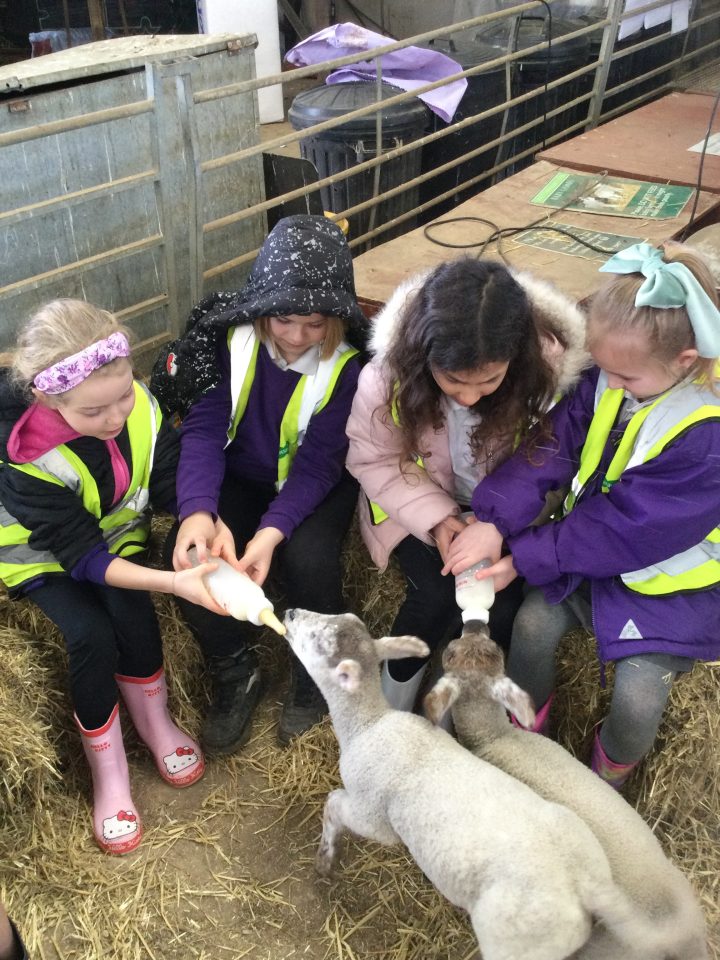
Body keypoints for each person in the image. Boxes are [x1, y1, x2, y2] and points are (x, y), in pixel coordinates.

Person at [444, 242, 720, 788]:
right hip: (586, 555)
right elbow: (553, 446)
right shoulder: (611, 378)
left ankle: (604, 782)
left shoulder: (705, 437)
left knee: (637, 700)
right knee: (530, 627)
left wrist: (523, 558)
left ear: (685, 361)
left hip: (667, 583)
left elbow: (629, 527)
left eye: (625, 378)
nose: (610, 386)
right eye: (604, 370)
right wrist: (495, 520)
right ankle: (529, 746)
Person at [0, 300, 223, 855]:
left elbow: (166, 469)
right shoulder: (26, 456)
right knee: (90, 635)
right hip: (43, 557)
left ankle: (155, 724)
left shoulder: (138, 404)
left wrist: (199, 515)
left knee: (133, 612)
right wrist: (172, 582)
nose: (116, 416)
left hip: (114, 531)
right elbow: (81, 557)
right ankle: (110, 773)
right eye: (94, 411)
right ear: (47, 399)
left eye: (123, 394)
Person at [151, 215, 368, 751]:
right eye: (284, 318)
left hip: (315, 480)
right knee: (187, 551)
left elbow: (320, 464)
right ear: (261, 307)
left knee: (309, 558)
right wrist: (199, 509)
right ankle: (234, 664)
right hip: (245, 471)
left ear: (336, 320)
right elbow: (204, 429)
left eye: (314, 324)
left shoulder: (349, 369)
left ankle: (317, 665)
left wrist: (270, 534)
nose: (295, 336)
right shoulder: (231, 342)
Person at [345, 257, 589, 710]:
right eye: (453, 380)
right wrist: (438, 520)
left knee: (504, 606)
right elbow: (375, 459)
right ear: (425, 354)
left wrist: (498, 524)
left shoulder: (547, 378)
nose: (471, 396)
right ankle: (390, 710)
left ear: (516, 356)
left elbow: (555, 469)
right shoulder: (387, 378)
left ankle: (463, 714)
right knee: (434, 595)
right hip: (413, 503)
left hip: (513, 512)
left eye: (490, 380)